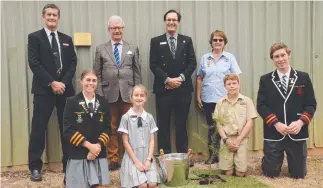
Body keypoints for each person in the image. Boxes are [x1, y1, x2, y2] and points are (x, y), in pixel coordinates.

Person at [27, 3, 77, 181]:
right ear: (43, 17)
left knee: (68, 128)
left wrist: (62, 83)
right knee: (39, 128)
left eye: (55, 15)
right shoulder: (35, 38)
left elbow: (72, 63)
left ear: (58, 18)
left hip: (65, 90)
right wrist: (51, 82)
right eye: (48, 15)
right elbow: (34, 63)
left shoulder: (66, 39)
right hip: (43, 90)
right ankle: (35, 167)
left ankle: (69, 164)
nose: (51, 18)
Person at [257, 42, 317, 179]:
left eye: (283, 55)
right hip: (274, 131)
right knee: (270, 173)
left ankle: (296, 163)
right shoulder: (265, 80)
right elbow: (261, 105)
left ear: (289, 55)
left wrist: (300, 123)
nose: (280, 59)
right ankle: (267, 160)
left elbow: (311, 105)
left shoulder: (303, 77)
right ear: (272, 60)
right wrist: (276, 124)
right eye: (276, 56)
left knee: (299, 175)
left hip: (296, 131)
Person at [93, 15, 142, 170]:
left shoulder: (132, 48)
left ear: (123, 29)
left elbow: (137, 72)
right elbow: (97, 73)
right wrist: (99, 94)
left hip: (128, 94)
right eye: (113, 28)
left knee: (131, 125)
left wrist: (138, 94)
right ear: (109, 30)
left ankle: (132, 156)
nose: (116, 30)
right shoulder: (101, 49)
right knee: (111, 126)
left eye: (119, 27)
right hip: (108, 94)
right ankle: (113, 159)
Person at [149, 9, 197, 157]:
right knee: (163, 125)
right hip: (164, 90)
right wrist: (167, 80)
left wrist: (181, 78)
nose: (171, 22)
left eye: (174, 20)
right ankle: (165, 157)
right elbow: (153, 64)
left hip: (182, 90)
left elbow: (192, 62)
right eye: (168, 20)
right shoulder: (156, 41)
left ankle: (183, 156)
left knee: (181, 124)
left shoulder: (186, 40)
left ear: (178, 22)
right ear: (165, 22)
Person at [196, 30, 242, 164]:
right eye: (215, 40)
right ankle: (213, 155)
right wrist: (198, 96)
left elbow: (236, 77)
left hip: (225, 99)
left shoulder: (229, 58)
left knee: (226, 127)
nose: (217, 42)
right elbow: (199, 78)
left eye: (220, 40)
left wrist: (237, 96)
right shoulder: (205, 58)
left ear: (224, 43)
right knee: (212, 127)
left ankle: (227, 155)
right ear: (211, 42)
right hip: (208, 98)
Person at [63, 70, 111, 188]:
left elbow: (108, 128)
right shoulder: (71, 102)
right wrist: (89, 146)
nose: (91, 83)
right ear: (81, 82)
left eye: (94, 80)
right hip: (78, 153)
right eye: (88, 80)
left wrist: (97, 147)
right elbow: (67, 129)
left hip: (97, 154)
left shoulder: (104, 102)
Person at [213, 73, 257, 177]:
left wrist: (238, 140)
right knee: (228, 173)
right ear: (225, 86)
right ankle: (227, 166)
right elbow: (219, 124)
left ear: (238, 84)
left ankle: (240, 167)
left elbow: (250, 122)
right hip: (226, 139)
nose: (232, 86)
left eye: (234, 83)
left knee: (240, 173)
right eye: (229, 84)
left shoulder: (246, 101)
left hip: (241, 139)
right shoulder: (220, 103)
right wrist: (226, 140)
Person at [118, 84, 161, 188]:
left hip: (147, 156)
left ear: (146, 98)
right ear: (131, 97)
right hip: (133, 157)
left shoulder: (149, 117)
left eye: (142, 95)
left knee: (152, 184)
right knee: (142, 185)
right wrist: (136, 162)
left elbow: (152, 141)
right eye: (136, 95)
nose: (139, 98)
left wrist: (149, 159)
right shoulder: (126, 118)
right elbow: (125, 142)